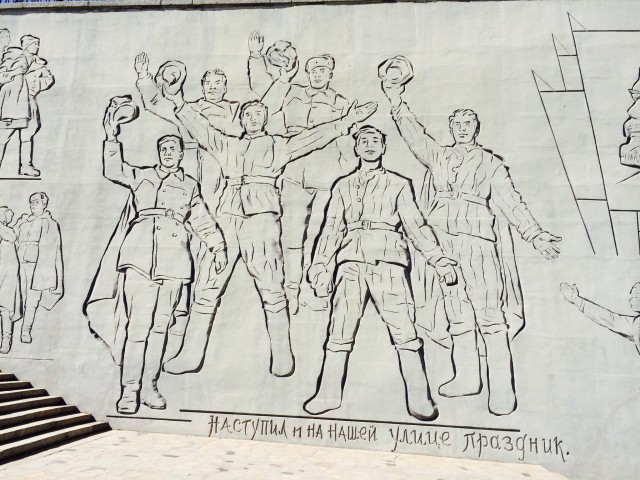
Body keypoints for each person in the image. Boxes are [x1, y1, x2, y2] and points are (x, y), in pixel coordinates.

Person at [160, 80, 376, 377]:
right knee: (208, 285)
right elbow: (202, 129)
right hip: (227, 216)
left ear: (265, 119)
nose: (253, 118)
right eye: (248, 114)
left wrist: (347, 121)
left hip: (261, 218)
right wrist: (179, 103)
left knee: (272, 286)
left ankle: (282, 356)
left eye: (259, 115)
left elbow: (312, 138)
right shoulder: (228, 144)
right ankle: (189, 354)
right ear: (241, 119)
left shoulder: (278, 145)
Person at [382, 81, 562, 416]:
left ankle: (502, 390)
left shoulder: (491, 164)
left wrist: (535, 234)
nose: (463, 128)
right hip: (443, 245)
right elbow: (415, 136)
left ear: (477, 128)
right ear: (450, 128)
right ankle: (467, 378)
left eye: (469, 123)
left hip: (478, 243)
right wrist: (396, 100)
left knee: (490, 315)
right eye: (457, 124)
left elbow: (511, 203)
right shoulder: (439, 156)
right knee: (457, 313)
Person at [304, 125, 457, 421]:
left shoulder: (398, 184)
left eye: (375, 140)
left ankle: (419, 398)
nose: (370, 145)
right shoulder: (343, 186)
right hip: (351, 262)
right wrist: (320, 263)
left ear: (384, 147)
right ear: (356, 147)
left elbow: (415, 226)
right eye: (364, 141)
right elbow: (331, 228)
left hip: (388, 262)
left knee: (405, 331)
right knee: (339, 330)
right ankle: (328, 395)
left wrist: (439, 260)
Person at [99, 100, 227, 415]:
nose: (168, 153)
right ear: (158, 154)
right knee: (137, 329)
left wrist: (218, 246)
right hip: (139, 259)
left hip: (174, 262)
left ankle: (150, 387)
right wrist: (111, 137)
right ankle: (129, 390)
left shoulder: (190, 186)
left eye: (173, 149)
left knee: (160, 329)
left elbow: (202, 219)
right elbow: (113, 169)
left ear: (181, 154)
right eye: (164, 149)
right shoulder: (141, 176)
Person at [134, 53, 240, 356]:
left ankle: (187, 318)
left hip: (219, 174)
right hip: (188, 172)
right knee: (182, 244)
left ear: (226, 87)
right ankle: (178, 313)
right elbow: (155, 102)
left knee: (208, 243)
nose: (214, 87)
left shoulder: (234, 111)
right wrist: (144, 78)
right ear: (202, 86)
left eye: (219, 83)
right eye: (209, 83)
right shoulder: (187, 107)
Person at [248, 32, 355, 313]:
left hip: (326, 173)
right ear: (307, 72)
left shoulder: (341, 102)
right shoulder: (291, 91)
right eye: (313, 70)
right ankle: (291, 289)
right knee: (291, 235)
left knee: (318, 235)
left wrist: (344, 171)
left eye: (323, 70)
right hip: (294, 170)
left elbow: (346, 142)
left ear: (330, 74)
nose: (317, 74)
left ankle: (311, 286)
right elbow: (263, 96)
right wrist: (257, 57)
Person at [0, 35, 54, 176]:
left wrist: (36, 86)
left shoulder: (39, 64)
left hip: (30, 102)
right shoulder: (12, 58)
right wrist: (13, 75)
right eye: (35, 44)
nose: (37, 47)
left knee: (27, 136)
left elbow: (49, 79)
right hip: (13, 102)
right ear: (27, 46)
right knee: (3, 136)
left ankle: (26, 166)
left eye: (38, 44)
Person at [13, 192, 63, 344]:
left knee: (32, 299)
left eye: (36, 202)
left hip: (38, 266)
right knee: (17, 297)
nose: (33, 205)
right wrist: (19, 224)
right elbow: (12, 238)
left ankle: (26, 330)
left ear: (44, 204)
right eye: (31, 202)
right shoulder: (23, 221)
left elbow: (54, 249)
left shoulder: (50, 223)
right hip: (18, 264)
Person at [561, 282, 640, 354]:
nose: (630, 300)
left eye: (635, 297)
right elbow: (609, 318)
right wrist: (577, 300)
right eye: (632, 296)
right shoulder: (637, 323)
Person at [0, 206, 21, 354]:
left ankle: (6, 340)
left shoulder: (8, 234)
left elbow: (11, 237)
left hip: (6, 276)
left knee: (5, 309)